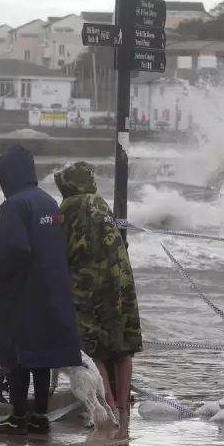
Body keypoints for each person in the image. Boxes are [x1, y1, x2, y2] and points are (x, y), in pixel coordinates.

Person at [0, 144, 82, 436]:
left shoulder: (14, 205)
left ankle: (17, 417)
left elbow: (15, 250)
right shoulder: (49, 203)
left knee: (17, 357)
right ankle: (40, 415)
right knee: (43, 356)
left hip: (22, 295)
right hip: (51, 290)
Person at [53, 161, 143, 419]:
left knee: (93, 348)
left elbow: (60, 247)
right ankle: (124, 407)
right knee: (123, 347)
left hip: (89, 285)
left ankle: (110, 404)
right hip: (121, 283)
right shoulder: (100, 202)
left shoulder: (70, 206)